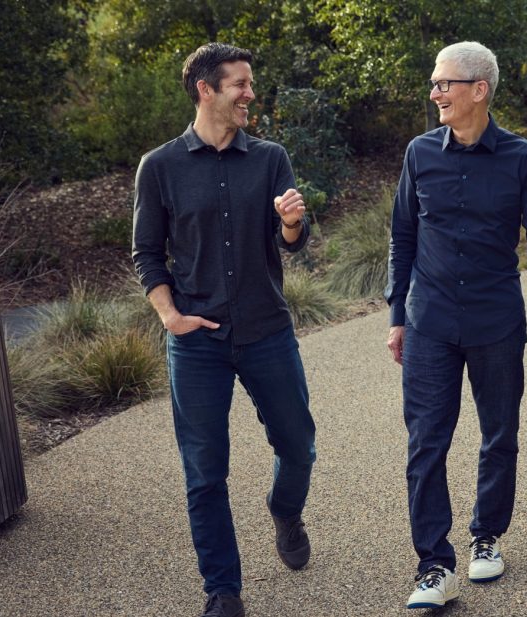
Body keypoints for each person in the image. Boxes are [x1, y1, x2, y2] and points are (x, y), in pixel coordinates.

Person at [132, 42, 316, 617]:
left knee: (299, 448)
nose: (250, 94)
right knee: (205, 473)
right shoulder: (159, 167)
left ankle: (285, 511)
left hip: (266, 331)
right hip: (197, 342)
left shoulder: (270, 158)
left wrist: (292, 224)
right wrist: (170, 317)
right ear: (205, 89)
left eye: (250, 83)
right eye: (240, 84)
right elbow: (146, 253)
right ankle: (223, 590)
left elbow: (291, 242)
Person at [385, 41, 527, 610]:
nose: (435, 93)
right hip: (429, 322)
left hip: (495, 320)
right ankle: (433, 566)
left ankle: (486, 535)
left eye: (445, 83)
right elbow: (403, 236)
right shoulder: (419, 153)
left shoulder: (521, 158)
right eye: (434, 83)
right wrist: (397, 316)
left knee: (499, 434)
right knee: (425, 442)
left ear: (478, 90)